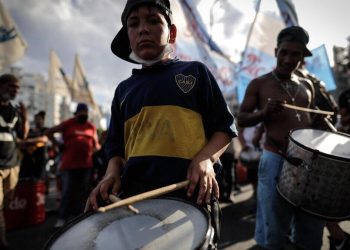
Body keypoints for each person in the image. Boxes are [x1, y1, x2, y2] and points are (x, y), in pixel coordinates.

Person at [85, 0, 236, 248]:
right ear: (128, 37)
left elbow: (224, 128)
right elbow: (116, 148)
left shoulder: (196, 72)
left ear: (172, 32)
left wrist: (206, 159)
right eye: (133, 24)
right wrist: (111, 173)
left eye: (153, 20)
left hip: (191, 195)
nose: (143, 29)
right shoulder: (123, 91)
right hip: (137, 201)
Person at [236, 26, 326, 250]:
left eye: (295, 54)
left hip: (307, 163)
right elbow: (241, 119)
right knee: (274, 228)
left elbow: (311, 118)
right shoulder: (260, 83)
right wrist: (263, 114)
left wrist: (322, 124)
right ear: (276, 51)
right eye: (284, 52)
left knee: (310, 226)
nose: (288, 59)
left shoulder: (307, 86)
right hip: (275, 159)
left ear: (302, 57)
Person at [45, 103, 100, 228]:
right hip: (69, 166)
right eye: (81, 113)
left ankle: (78, 218)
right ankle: (62, 218)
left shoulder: (91, 127)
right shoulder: (68, 123)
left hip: (86, 166)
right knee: (67, 192)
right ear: (76, 114)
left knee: (82, 193)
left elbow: (96, 146)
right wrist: (57, 144)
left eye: (85, 113)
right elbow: (49, 132)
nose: (83, 115)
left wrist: (96, 149)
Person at [0, 74, 29, 249]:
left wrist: (25, 117)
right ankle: (2, 241)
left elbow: (23, 136)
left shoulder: (15, 112)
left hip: (13, 165)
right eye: (11, 87)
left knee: (7, 203)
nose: (15, 91)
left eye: (17, 88)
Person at [19, 111, 49, 180]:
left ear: (43, 120)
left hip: (40, 158)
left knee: (40, 177)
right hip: (28, 159)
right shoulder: (31, 131)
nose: (37, 121)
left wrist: (28, 141)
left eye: (39, 119)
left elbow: (44, 139)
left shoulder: (45, 130)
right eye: (36, 119)